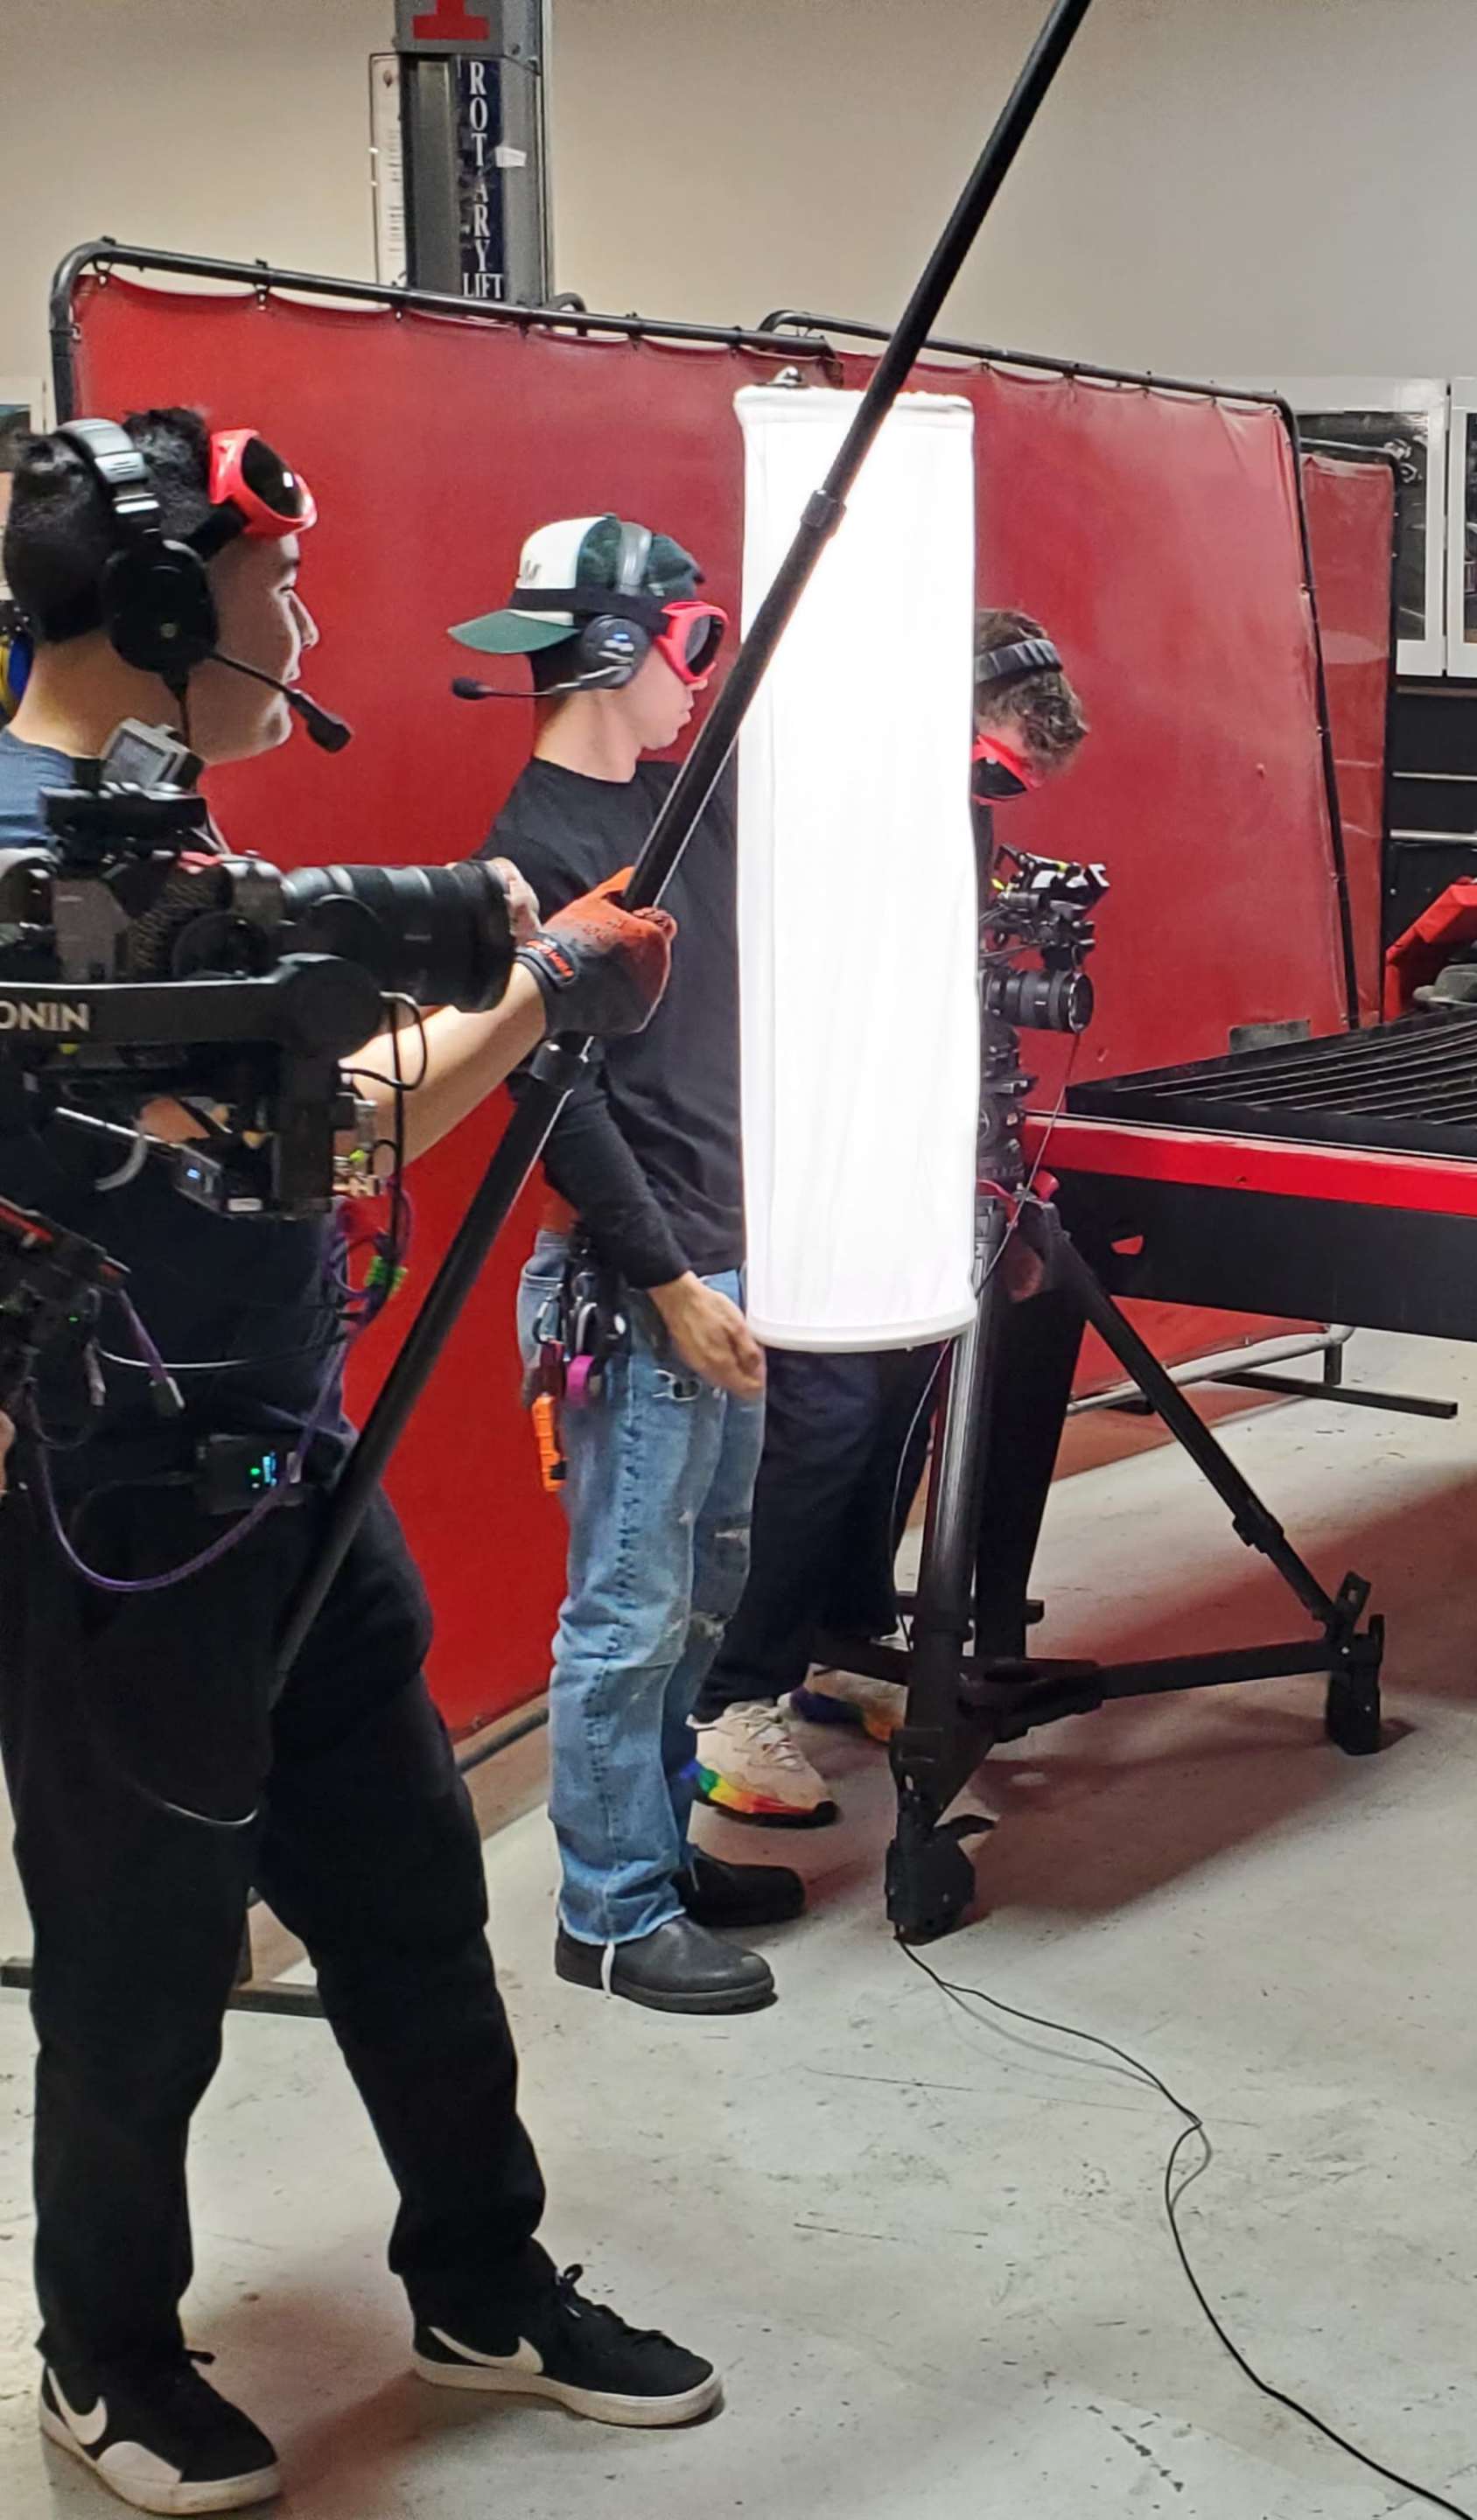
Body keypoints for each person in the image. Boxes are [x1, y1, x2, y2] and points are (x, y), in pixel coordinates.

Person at [0, 411, 716, 2514]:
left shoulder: (161, 838)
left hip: (293, 1466)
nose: (299, 626)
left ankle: (481, 2279)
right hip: (107, 1513)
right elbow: (324, 1136)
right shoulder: (35, 873)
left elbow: (328, 1085)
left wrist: (517, 980)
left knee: (409, 1910)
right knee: (139, 1967)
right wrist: (551, 991)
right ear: (152, 610)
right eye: (264, 594)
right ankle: (105, 2351)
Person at [457, 515, 790, 2013]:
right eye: (688, 640)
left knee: (704, 1598)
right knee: (627, 1609)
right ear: (616, 645)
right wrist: (666, 1283)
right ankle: (609, 1912)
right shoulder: (526, 860)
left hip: (721, 1256)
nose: (695, 678)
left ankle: (654, 1844)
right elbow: (551, 1104)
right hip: (639, 1282)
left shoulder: (686, 816)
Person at [689, 607, 1092, 1818]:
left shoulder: (951, 811)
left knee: (907, 1404)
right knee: (823, 1421)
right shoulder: (819, 811)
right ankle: (731, 1694)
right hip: (798, 1165)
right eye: (993, 766)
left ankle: (841, 1646)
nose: (995, 793)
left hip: (901, 1159)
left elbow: (950, 1007)